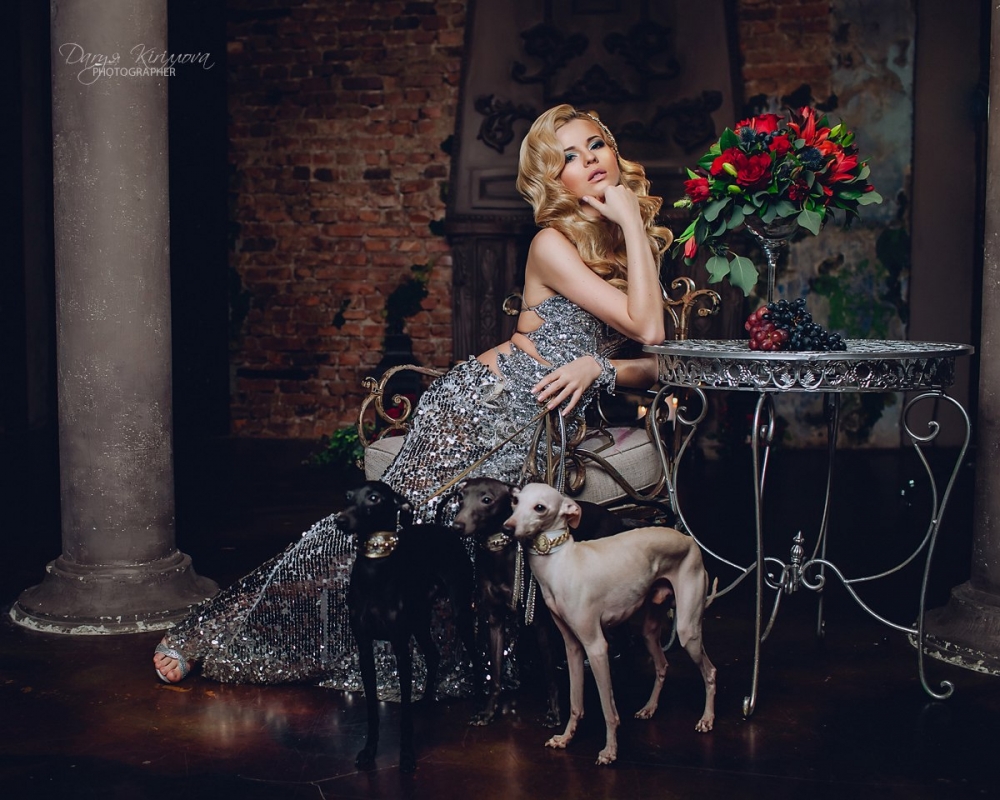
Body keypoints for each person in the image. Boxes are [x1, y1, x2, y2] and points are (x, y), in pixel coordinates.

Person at [153, 104, 672, 698]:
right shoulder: (551, 242)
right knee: (385, 536)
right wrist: (632, 223)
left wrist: (600, 366)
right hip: (478, 409)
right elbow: (649, 328)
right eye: (570, 158)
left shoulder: (623, 247)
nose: (590, 161)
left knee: (445, 551)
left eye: (596, 145)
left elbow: (661, 361)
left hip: (535, 431)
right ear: (556, 180)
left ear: (614, 151)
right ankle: (213, 626)